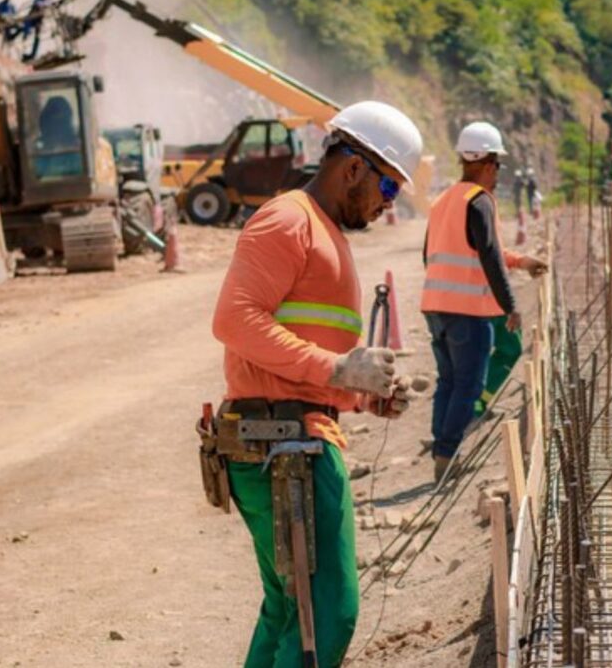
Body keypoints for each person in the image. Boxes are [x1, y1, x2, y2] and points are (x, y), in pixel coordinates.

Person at [212, 100, 424, 666]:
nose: (389, 202)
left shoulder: (323, 231)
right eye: (388, 186)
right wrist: (337, 370)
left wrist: (362, 394)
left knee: (289, 609)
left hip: (288, 435)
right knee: (327, 614)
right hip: (284, 444)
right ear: (353, 168)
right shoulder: (289, 220)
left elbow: (303, 356)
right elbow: (234, 321)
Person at [421, 121, 547, 480]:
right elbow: (489, 257)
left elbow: (434, 253)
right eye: (497, 165)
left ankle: (441, 449)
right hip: (466, 312)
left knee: (447, 381)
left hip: (434, 306)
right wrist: (510, 306)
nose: (498, 173)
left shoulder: (444, 200)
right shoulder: (479, 201)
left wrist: (522, 261)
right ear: (489, 163)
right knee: (468, 385)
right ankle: (448, 455)